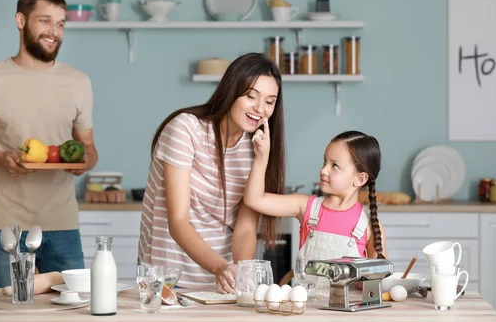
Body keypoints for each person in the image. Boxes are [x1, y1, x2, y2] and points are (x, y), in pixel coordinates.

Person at [0, 0, 98, 287]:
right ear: (21, 20)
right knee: (13, 311)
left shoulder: (78, 82)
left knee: (73, 311)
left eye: (60, 24)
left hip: (62, 222)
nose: (54, 32)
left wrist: (84, 161)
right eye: (45, 21)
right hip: (8, 224)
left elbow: (89, 148)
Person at [138, 53, 286, 293]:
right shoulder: (185, 129)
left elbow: (246, 228)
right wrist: (219, 267)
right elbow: (178, 221)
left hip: (220, 284)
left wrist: (238, 272)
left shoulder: (258, 147)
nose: (260, 109)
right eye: (251, 96)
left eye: (269, 102)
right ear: (231, 91)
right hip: (169, 280)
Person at [244, 124, 387, 277]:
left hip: (350, 301)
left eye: (335, 166)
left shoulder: (368, 225)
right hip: (307, 300)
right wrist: (261, 157)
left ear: (360, 179)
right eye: (324, 162)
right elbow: (254, 199)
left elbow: (377, 279)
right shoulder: (307, 207)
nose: (323, 170)